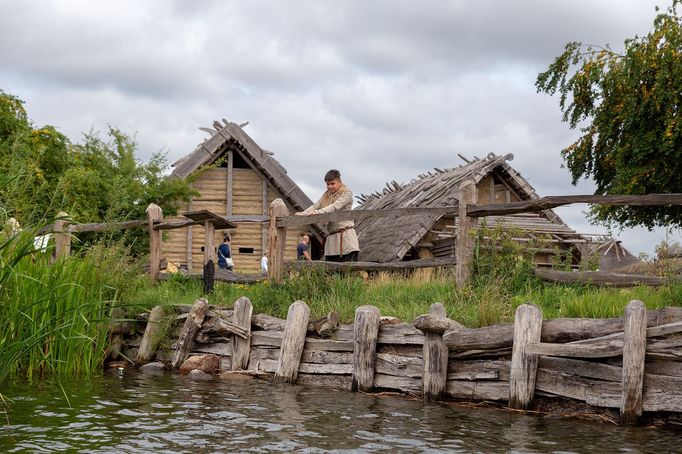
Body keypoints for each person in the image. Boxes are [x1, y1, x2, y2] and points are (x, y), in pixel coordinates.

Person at [296, 169, 359, 262]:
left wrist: (317, 213)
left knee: (348, 273)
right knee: (331, 273)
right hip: (332, 240)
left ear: (339, 182)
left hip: (345, 239)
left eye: (332, 183)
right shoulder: (326, 195)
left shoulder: (346, 194)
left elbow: (334, 207)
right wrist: (303, 213)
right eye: (328, 184)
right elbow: (315, 206)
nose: (330, 186)